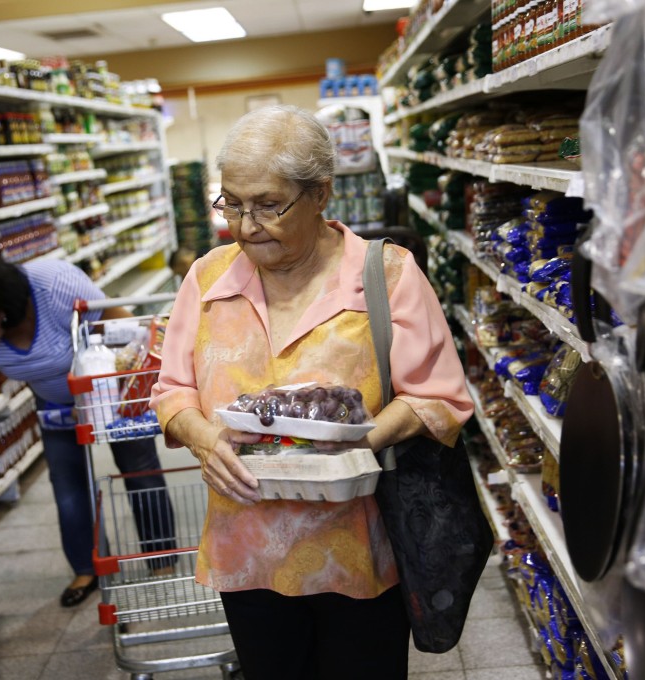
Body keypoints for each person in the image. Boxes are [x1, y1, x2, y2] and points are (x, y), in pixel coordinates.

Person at [149, 105, 473, 679]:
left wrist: (359, 439)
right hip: (245, 549)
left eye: (269, 205)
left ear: (320, 194)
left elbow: (439, 396)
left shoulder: (387, 275)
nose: (246, 226)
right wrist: (203, 440)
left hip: (358, 548)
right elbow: (173, 390)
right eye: (232, 204)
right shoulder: (206, 279)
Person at [0, 258, 176, 608]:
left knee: (140, 470)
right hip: (54, 405)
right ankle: (87, 567)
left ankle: (162, 559)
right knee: (67, 485)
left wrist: (109, 386)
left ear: (0, 311)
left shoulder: (55, 286)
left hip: (112, 391)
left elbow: (125, 327)